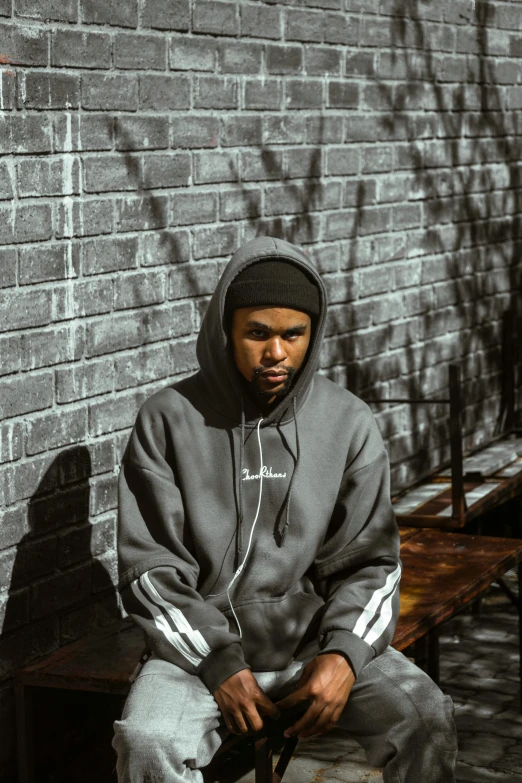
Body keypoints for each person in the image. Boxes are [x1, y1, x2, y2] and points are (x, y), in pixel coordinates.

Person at [112, 236, 457, 783]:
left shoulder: (348, 422)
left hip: (312, 644)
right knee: (148, 739)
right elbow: (149, 572)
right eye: (258, 334)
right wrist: (219, 664)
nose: (277, 353)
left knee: (426, 718)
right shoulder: (167, 420)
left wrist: (344, 656)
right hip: (199, 658)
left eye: (293, 335)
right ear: (226, 331)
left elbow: (374, 563)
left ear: (312, 335)